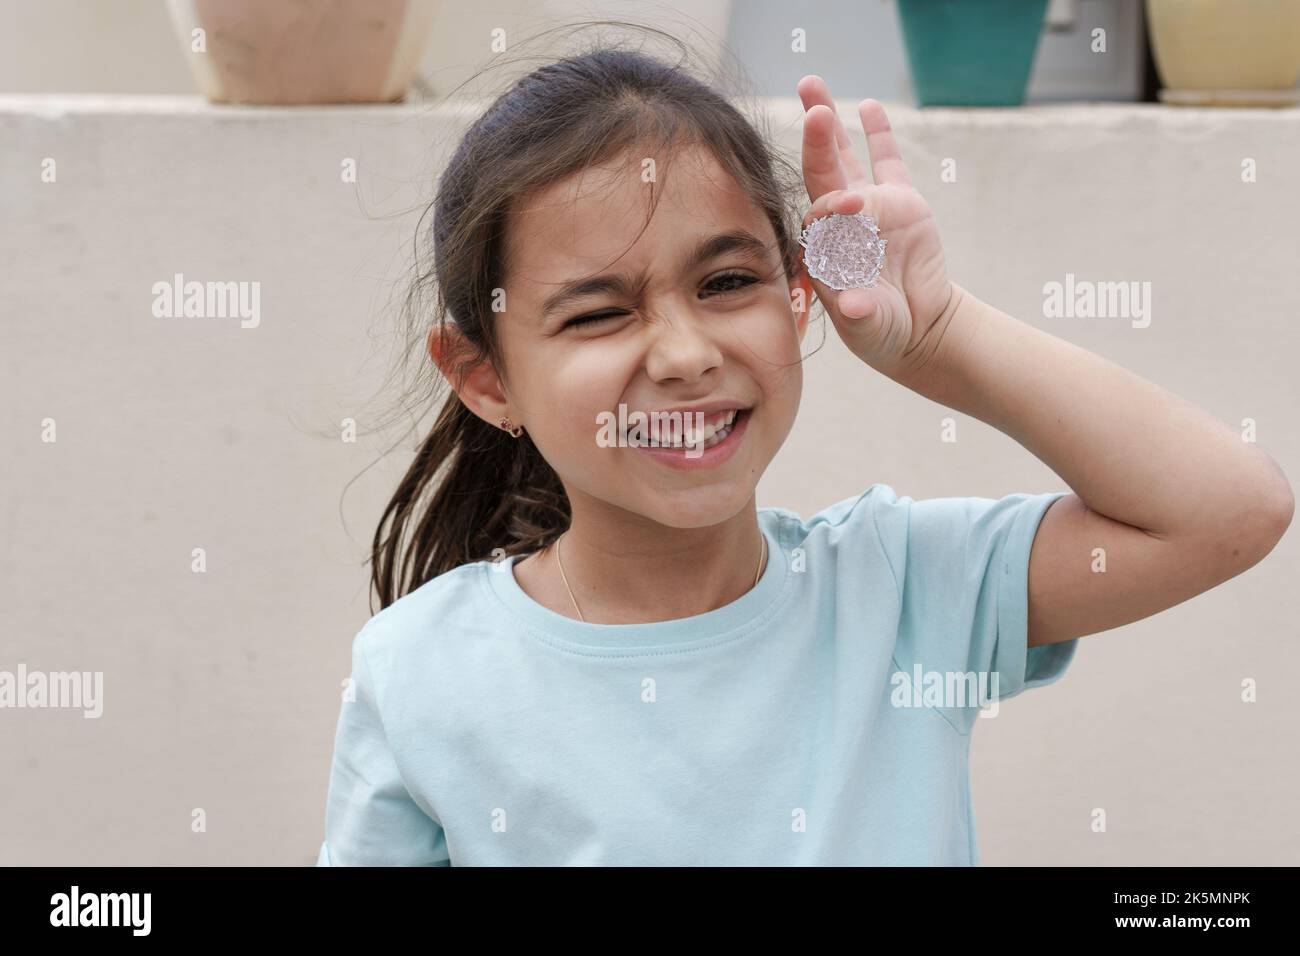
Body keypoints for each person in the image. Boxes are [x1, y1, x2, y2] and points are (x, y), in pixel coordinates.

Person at [315, 40, 1292, 866]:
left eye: (727, 280)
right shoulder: (418, 673)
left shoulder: (903, 591)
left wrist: (942, 331)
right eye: (598, 311)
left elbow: (1229, 510)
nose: (687, 353)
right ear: (485, 376)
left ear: (798, 292)